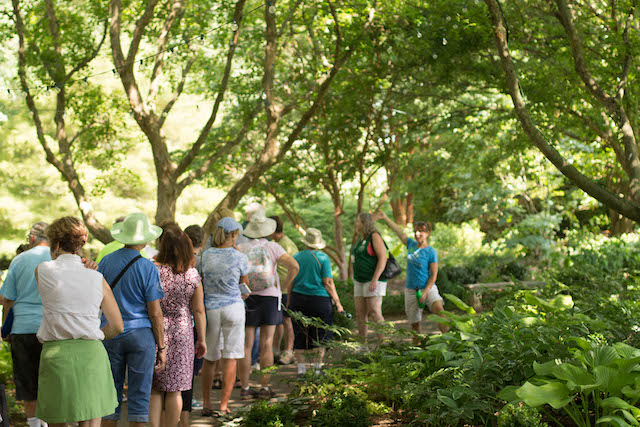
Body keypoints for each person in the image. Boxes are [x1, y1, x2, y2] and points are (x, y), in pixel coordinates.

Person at [33, 217, 124, 426]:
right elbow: (118, 325)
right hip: (91, 355)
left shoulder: (43, 271)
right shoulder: (96, 277)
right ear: (80, 244)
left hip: (57, 356)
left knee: (57, 420)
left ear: (55, 244)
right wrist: (97, 334)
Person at [98, 213, 166, 427]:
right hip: (141, 335)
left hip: (110, 331)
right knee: (139, 397)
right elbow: (155, 312)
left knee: (110, 397)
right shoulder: (147, 267)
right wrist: (162, 346)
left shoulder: (106, 261)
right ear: (145, 239)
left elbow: (97, 298)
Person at [149, 224, 206, 427]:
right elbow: (198, 311)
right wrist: (202, 339)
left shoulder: (153, 270)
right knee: (175, 389)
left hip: (156, 330)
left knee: (155, 388)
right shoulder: (192, 275)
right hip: (182, 331)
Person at [237, 213, 299, 399]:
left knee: (247, 346)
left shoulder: (241, 247)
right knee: (267, 344)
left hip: (248, 297)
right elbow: (294, 266)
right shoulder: (273, 246)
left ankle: (245, 387)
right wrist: (284, 286)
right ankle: (265, 387)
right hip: (270, 297)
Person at [0, 222, 51, 427]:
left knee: (28, 385)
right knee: (49, 382)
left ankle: (33, 424)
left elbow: (7, 300)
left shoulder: (19, 260)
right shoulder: (56, 259)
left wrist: (5, 326)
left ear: (31, 238)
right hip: (51, 330)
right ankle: (47, 423)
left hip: (22, 329)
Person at [198, 217, 249, 415]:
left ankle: (207, 404)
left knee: (209, 358)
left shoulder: (206, 255)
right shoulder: (240, 257)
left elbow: (200, 281)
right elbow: (244, 284)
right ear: (234, 235)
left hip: (211, 310)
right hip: (234, 308)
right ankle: (224, 405)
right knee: (231, 358)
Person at [375, 211, 447, 333]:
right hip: (411, 290)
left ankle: (448, 340)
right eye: (415, 231)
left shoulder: (431, 252)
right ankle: (417, 346)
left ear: (428, 233)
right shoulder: (411, 245)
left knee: (440, 311)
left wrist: (425, 292)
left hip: (428, 288)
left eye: (421, 231)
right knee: (414, 325)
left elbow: (433, 276)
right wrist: (385, 217)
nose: (417, 234)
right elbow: (399, 232)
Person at [289, 228, 344, 377]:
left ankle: (301, 369)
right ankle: (317, 369)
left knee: (299, 333)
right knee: (320, 334)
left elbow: (291, 282)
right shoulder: (323, 258)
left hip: (298, 298)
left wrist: (289, 301)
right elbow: (328, 282)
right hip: (319, 300)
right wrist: (338, 303)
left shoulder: (296, 257)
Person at [180, 224, 206, 426]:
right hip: (187, 326)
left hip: (166, 328)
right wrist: (202, 338)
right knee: (187, 376)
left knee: (162, 388)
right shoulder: (196, 266)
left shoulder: (159, 267)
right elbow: (198, 309)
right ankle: (184, 420)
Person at [352, 213, 388, 340]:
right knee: (360, 313)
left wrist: (375, 279)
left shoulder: (374, 236)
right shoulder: (360, 238)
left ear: (364, 223)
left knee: (374, 311)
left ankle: (383, 343)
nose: (356, 224)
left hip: (373, 280)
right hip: (359, 280)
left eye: (358, 221)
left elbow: (383, 258)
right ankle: (363, 344)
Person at [270, 215, 298, 366]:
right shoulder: (277, 243)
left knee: (287, 321)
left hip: (286, 291)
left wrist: (287, 286)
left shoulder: (286, 244)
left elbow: (295, 268)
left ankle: (289, 351)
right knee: (279, 321)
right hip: (278, 290)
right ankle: (276, 351)